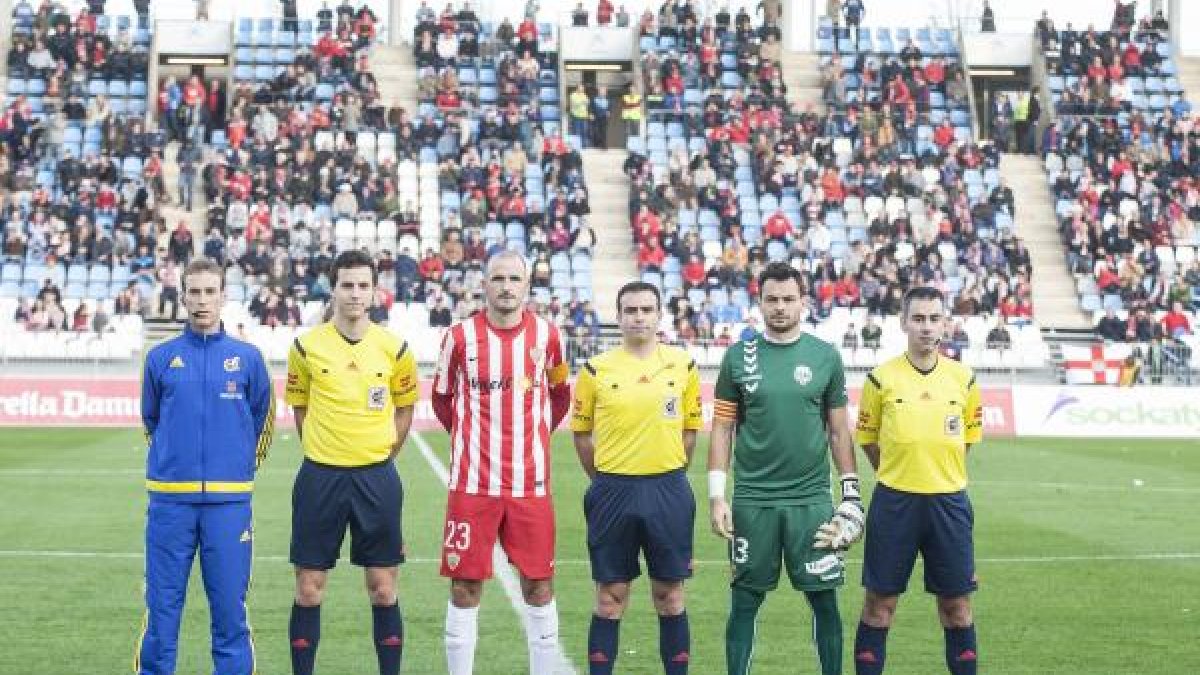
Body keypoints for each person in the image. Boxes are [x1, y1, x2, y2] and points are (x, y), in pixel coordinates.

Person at [708, 263, 863, 675]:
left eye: (788, 299)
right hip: (753, 501)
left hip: (811, 502)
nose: (780, 307)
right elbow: (722, 428)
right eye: (772, 299)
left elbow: (838, 431)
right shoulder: (738, 357)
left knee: (824, 600)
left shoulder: (825, 356)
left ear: (803, 302)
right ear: (759, 303)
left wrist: (850, 495)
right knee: (744, 600)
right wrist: (717, 495)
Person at [431, 250, 572, 675]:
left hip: (530, 486)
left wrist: (532, 439)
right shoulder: (458, 338)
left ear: (527, 285)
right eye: (498, 278)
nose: (506, 287)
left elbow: (560, 396)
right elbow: (442, 401)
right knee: (464, 586)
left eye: (515, 278)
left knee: (539, 585)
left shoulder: (548, 336)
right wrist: (472, 442)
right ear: (484, 284)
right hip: (472, 486)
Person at [137, 258, 275, 675]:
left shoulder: (248, 359)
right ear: (182, 296)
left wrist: (235, 471)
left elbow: (262, 424)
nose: (201, 301)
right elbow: (151, 421)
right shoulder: (159, 358)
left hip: (229, 506)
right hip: (169, 506)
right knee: (161, 613)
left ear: (223, 296)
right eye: (193, 292)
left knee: (230, 615)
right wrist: (173, 469)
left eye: (209, 291)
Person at [284, 250, 419, 675]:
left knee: (383, 589)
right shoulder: (306, 346)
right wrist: (326, 450)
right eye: (347, 284)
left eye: (363, 285)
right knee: (309, 589)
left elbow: (404, 408)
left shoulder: (395, 348)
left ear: (375, 290)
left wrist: (380, 455)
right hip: (319, 478)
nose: (355, 293)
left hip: (376, 479)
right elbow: (300, 407)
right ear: (333, 288)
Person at [571, 281, 703, 674]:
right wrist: (605, 478)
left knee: (670, 596)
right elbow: (581, 434)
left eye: (647, 309)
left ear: (660, 315)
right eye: (631, 310)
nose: (639, 317)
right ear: (619, 316)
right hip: (613, 490)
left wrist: (671, 469)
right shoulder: (596, 370)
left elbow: (690, 430)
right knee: (610, 597)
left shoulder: (683, 366)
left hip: (668, 489)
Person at [853, 286, 984, 675]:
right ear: (903, 322)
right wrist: (899, 472)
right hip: (895, 504)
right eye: (918, 319)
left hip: (949, 504)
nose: (926, 327)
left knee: (957, 608)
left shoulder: (964, 379)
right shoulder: (880, 379)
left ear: (945, 323)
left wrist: (937, 472)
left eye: (934, 319)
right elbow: (869, 441)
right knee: (879, 605)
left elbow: (965, 444)